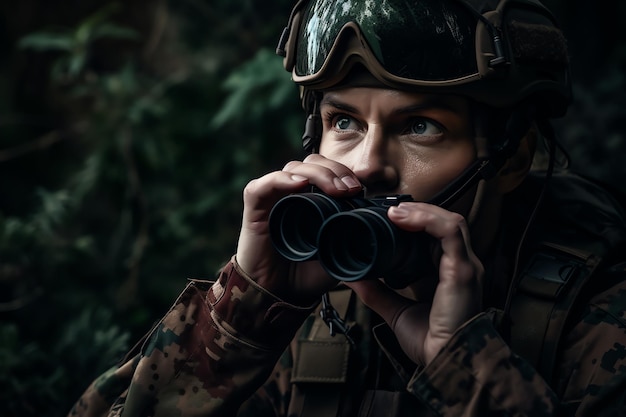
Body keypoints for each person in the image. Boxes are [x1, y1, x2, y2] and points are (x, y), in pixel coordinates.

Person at [68, 0, 626, 416]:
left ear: (510, 159)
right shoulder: (307, 296)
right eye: (344, 122)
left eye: (420, 126)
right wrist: (243, 312)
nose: (364, 166)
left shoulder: (597, 312)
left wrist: (465, 364)